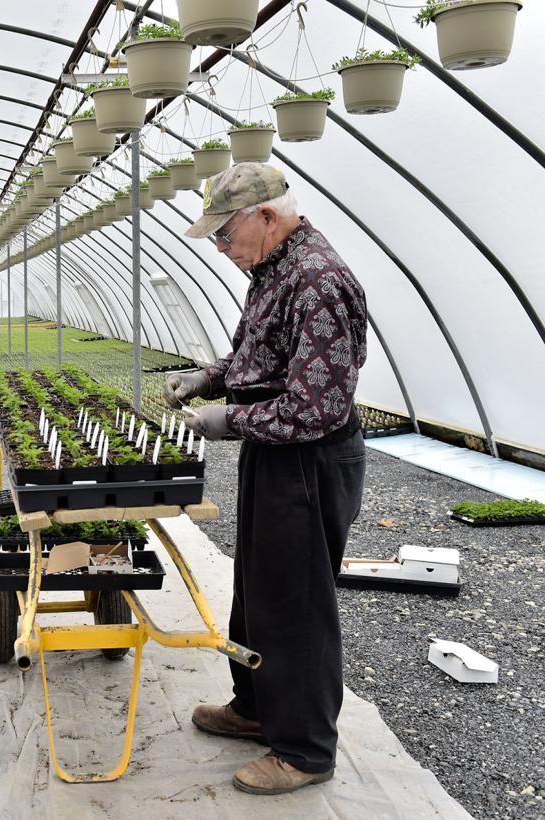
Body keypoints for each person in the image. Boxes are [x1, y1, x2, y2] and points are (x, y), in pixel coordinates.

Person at [166, 163, 367, 795]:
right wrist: (210, 376)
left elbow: (315, 409)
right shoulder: (273, 271)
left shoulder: (319, 282)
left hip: (308, 461)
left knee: (296, 604)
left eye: (225, 236)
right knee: (255, 591)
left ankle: (305, 751)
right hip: (273, 451)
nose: (222, 250)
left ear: (267, 217)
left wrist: (225, 419)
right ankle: (254, 709)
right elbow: (256, 357)